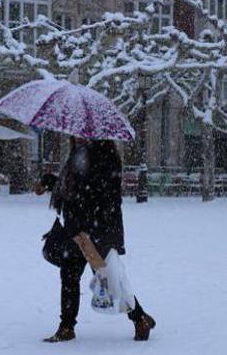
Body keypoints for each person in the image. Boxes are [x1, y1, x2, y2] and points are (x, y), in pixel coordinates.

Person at [35, 137, 156, 342]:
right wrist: (51, 182)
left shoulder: (104, 156)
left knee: (107, 281)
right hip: (78, 230)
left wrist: (70, 194)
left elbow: (96, 194)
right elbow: (76, 188)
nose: (77, 135)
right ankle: (66, 327)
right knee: (70, 276)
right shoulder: (81, 153)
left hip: (94, 232)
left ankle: (139, 317)